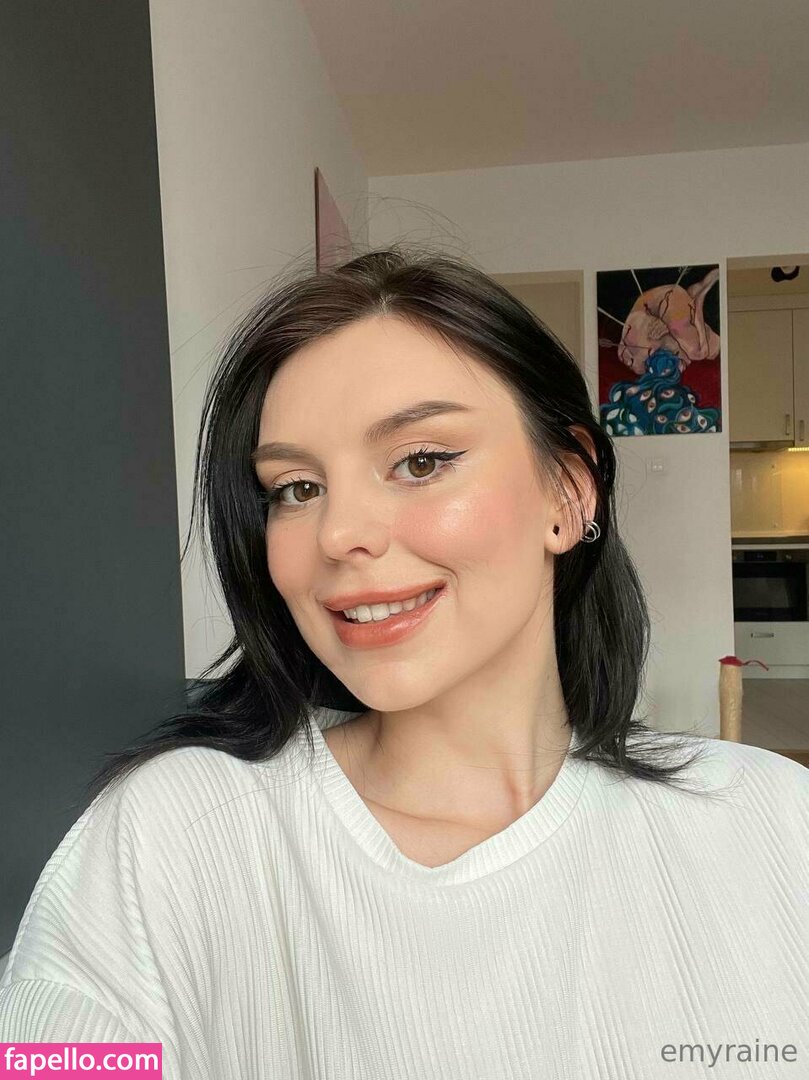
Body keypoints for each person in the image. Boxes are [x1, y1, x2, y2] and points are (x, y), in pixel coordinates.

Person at [1, 246, 807, 1079]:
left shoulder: (771, 820)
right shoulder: (179, 832)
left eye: (421, 461)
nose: (339, 533)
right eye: (296, 488)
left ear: (567, 493)